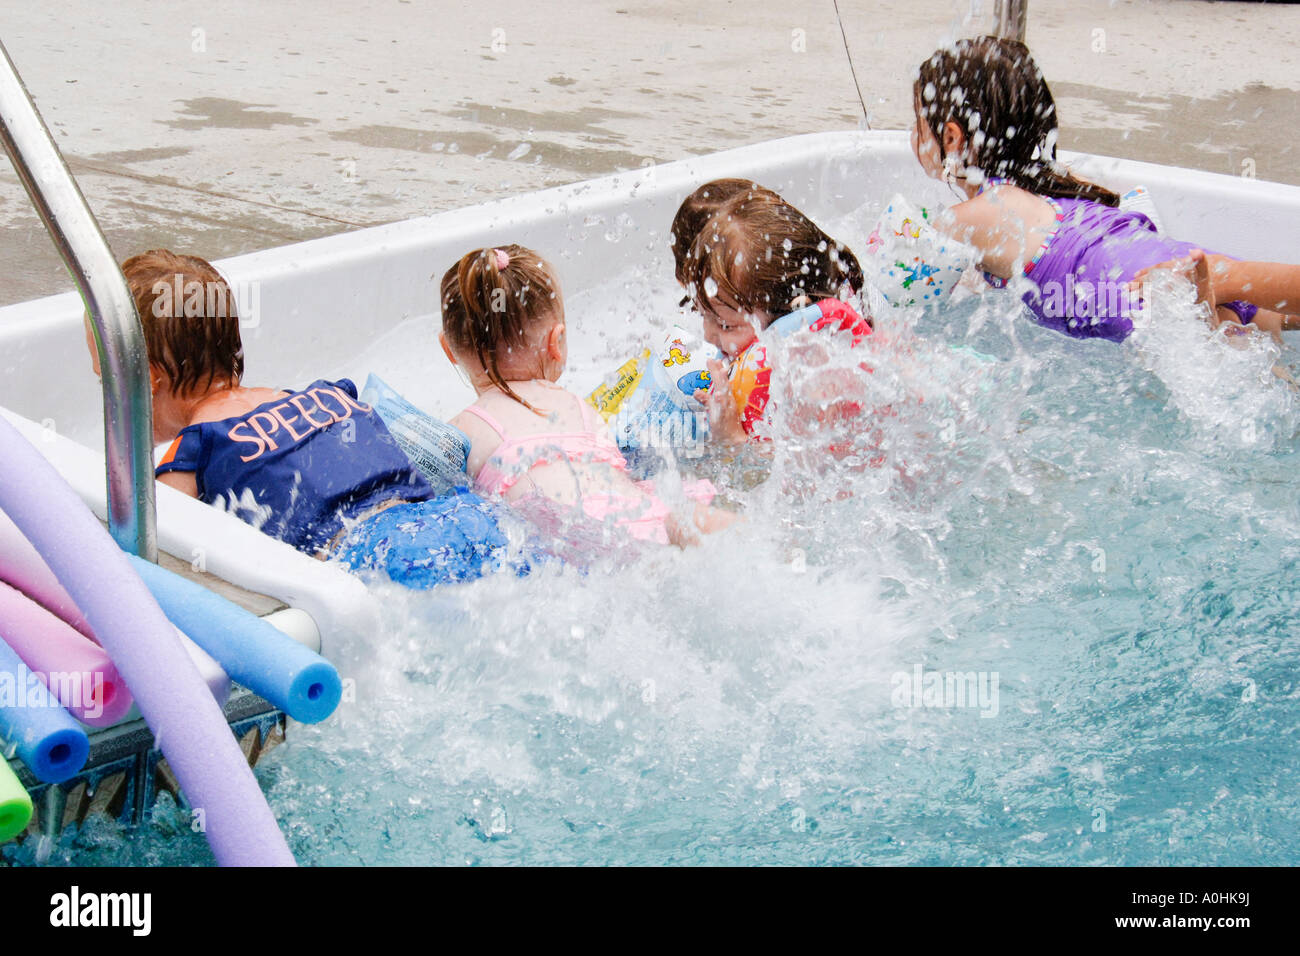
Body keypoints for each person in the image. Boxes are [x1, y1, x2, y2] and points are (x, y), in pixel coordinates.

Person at [95, 248, 535, 589]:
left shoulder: (192, 452)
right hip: (462, 520)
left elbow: (152, 561)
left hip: (377, 565)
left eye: (104, 380)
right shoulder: (325, 396)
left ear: (145, 379)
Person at [910, 35, 1289, 341]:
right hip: (1159, 262)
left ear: (951, 136)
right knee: (1246, 333)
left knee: (1200, 326)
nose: (912, 135)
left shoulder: (964, 220)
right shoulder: (1059, 192)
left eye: (917, 124)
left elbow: (901, 297)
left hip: (1129, 289)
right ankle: (1218, 286)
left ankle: (1215, 286)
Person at [438, 244, 731, 546]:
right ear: (557, 341)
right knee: (684, 521)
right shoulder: (578, 408)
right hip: (641, 516)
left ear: (448, 350)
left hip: (572, 543)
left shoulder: (463, 429)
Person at [681, 189, 874, 445]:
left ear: (795, 318)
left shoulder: (823, 384)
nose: (708, 335)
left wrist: (733, 440)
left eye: (726, 325)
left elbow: (798, 473)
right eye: (703, 315)